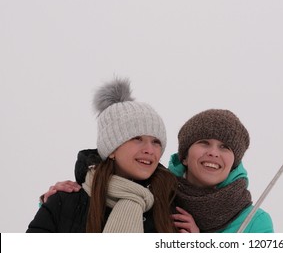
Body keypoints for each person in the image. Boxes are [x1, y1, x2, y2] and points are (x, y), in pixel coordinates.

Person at [41, 109, 274, 233]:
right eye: (204, 142)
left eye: (225, 147)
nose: (213, 153)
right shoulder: (159, 198)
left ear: (235, 160)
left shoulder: (255, 221)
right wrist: (53, 203)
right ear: (183, 154)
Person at [27, 77, 197, 233]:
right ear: (112, 149)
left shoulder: (171, 209)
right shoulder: (65, 201)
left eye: (156, 142)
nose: (149, 150)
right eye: (137, 138)